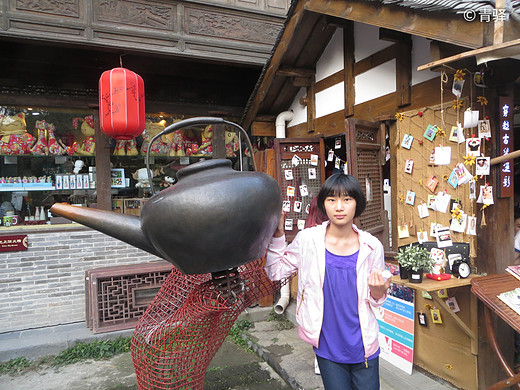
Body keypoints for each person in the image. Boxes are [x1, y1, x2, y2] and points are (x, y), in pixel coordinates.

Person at [265, 173, 390, 390]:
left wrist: (378, 292)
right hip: (327, 345)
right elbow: (276, 272)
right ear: (323, 204)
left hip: (363, 344)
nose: (339, 207)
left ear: (357, 204)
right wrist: (277, 235)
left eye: (347, 200)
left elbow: (375, 300)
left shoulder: (372, 246)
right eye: (331, 200)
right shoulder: (308, 241)